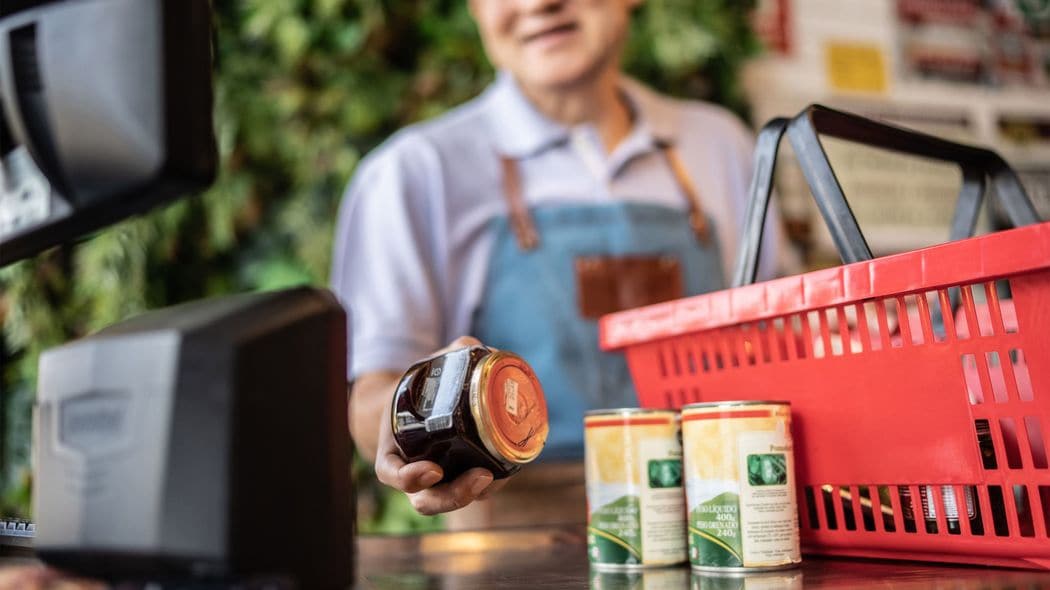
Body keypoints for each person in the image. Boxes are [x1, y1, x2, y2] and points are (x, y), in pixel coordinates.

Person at [331, 0, 783, 528]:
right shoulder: (413, 173)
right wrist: (399, 422)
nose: (537, 5)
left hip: (723, 534)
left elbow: (782, 343)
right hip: (514, 556)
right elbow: (370, 399)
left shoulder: (723, 147)